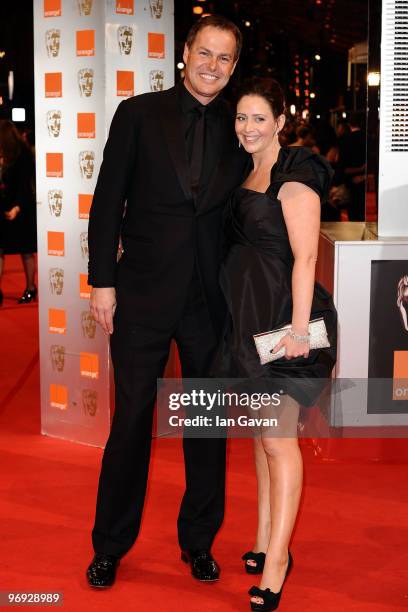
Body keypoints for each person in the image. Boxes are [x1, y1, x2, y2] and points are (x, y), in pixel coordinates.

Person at [86, 15, 249, 588]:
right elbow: (107, 203)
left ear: (234, 67)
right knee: (131, 420)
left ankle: (199, 541)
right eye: (205, 53)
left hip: (209, 301)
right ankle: (110, 544)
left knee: (206, 425)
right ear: (185, 53)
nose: (213, 66)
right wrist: (101, 281)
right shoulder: (139, 113)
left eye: (225, 59)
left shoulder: (241, 126)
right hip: (143, 294)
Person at [212, 79, 337, 610]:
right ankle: (265, 541)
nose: (248, 128)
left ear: (281, 121)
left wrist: (300, 334)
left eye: (259, 118)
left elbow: (306, 258)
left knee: (278, 440)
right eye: (240, 118)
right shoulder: (246, 168)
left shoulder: (296, 175)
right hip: (249, 321)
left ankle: (279, 561)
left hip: (287, 325)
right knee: (261, 439)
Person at [0, 120, 37, 305]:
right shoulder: (3, 156)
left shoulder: (23, 155)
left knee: (26, 251)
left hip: (22, 208)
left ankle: (31, 288)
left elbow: (25, 185)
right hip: (4, 207)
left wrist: (17, 207)